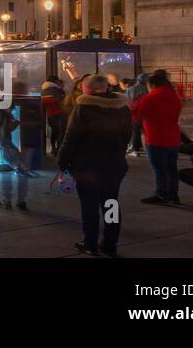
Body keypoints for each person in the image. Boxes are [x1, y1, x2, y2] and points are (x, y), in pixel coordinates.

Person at [57, 75, 132, 256]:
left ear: (86, 88)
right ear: (105, 87)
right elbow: (127, 134)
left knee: (89, 204)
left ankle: (90, 242)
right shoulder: (122, 107)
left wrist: (62, 161)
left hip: (86, 164)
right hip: (114, 164)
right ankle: (110, 243)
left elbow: (71, 138)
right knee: (111, 202)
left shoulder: (83, 108)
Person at [132, 69, 183, 204]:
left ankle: (161, 194)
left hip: (155, 137)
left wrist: (133, 107)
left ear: (152, 85)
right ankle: (173, 195)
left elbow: (136, 119)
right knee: (172, 168)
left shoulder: (148, 99)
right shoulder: (174, 97)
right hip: (173, 138)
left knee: (160, 169)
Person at [124, 73, 150, 156]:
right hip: (145, 113)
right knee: (144, 131)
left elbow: (126, 101)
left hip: (134, 113)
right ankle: (143, 147)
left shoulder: (130, 89)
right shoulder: (148, 89)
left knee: (135, 131)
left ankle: (135, 148)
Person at [41, 77, 67, 154]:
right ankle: (59, 149)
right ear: (56, 82)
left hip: (50, 115)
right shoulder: (57, 90)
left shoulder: (44, 90)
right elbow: (62, 102)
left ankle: (53, 148)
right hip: (59, 114)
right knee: (61, 132)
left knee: (54, 131)